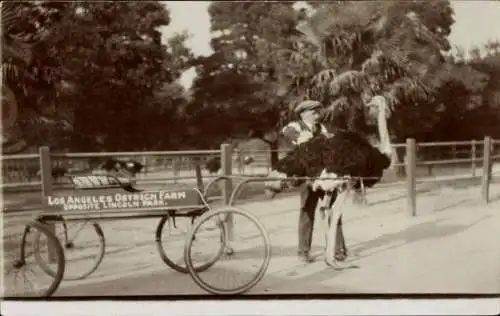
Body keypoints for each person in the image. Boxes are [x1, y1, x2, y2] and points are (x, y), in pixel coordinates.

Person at [281, 99, 334, 263]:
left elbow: (329, 141)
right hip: (305, 175)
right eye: (313, 112)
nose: (317, 115)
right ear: (303, 113)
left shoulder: (321, 128)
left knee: (332, 209)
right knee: (307, 212)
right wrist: (303, 138)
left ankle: (338, 250)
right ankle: (303, 252)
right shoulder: (295, 126)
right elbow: (288, 133)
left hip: (322, 174)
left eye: (318, 112)